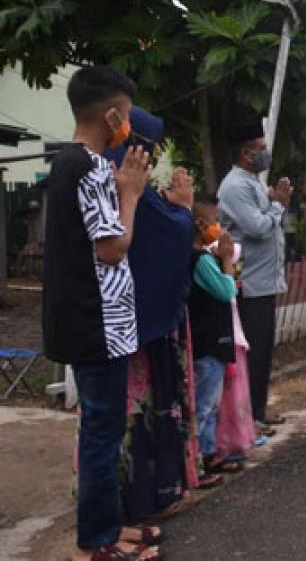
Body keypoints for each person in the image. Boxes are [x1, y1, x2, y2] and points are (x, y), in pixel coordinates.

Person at [43, 66, 160, 561]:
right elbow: (113, 248)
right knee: (101, 433)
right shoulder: (89, 167)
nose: (128, 126)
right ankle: (96, 544)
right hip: (98, 322)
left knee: (103, 429)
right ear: (112, 115)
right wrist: (130, 193)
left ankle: (108, 527)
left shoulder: (69, 163)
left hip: (88, 318)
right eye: (127, 115)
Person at [104, 107, 200, 523]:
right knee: (140, 413)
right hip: (140, 326)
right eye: (154, 145)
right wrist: (183, 208)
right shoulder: (129, 184)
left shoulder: (103, 174)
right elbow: (176, 236)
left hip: (112, 321)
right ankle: (143, 499)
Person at [218, 121, 292, 436]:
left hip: (263, 281)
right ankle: (249, 420)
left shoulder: (253, 181)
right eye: (261, 148)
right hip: (248, 283)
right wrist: (278, 204)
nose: (266, 153)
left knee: (262, 352)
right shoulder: (235, 186)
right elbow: (258, 228)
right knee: (252, 355)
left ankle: (258, 411)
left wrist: (273, 199)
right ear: (246, 154)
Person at [188, 195, 245, 479]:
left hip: (212, 342)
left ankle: (208, 454)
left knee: (209, 404)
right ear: (200, 225)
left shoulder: (202, 257)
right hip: (208, 343)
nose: (220, 228)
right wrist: (225, 260)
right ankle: (200, 461)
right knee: (204, 405)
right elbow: (227, 290)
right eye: (215, 222)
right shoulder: (200, 260)